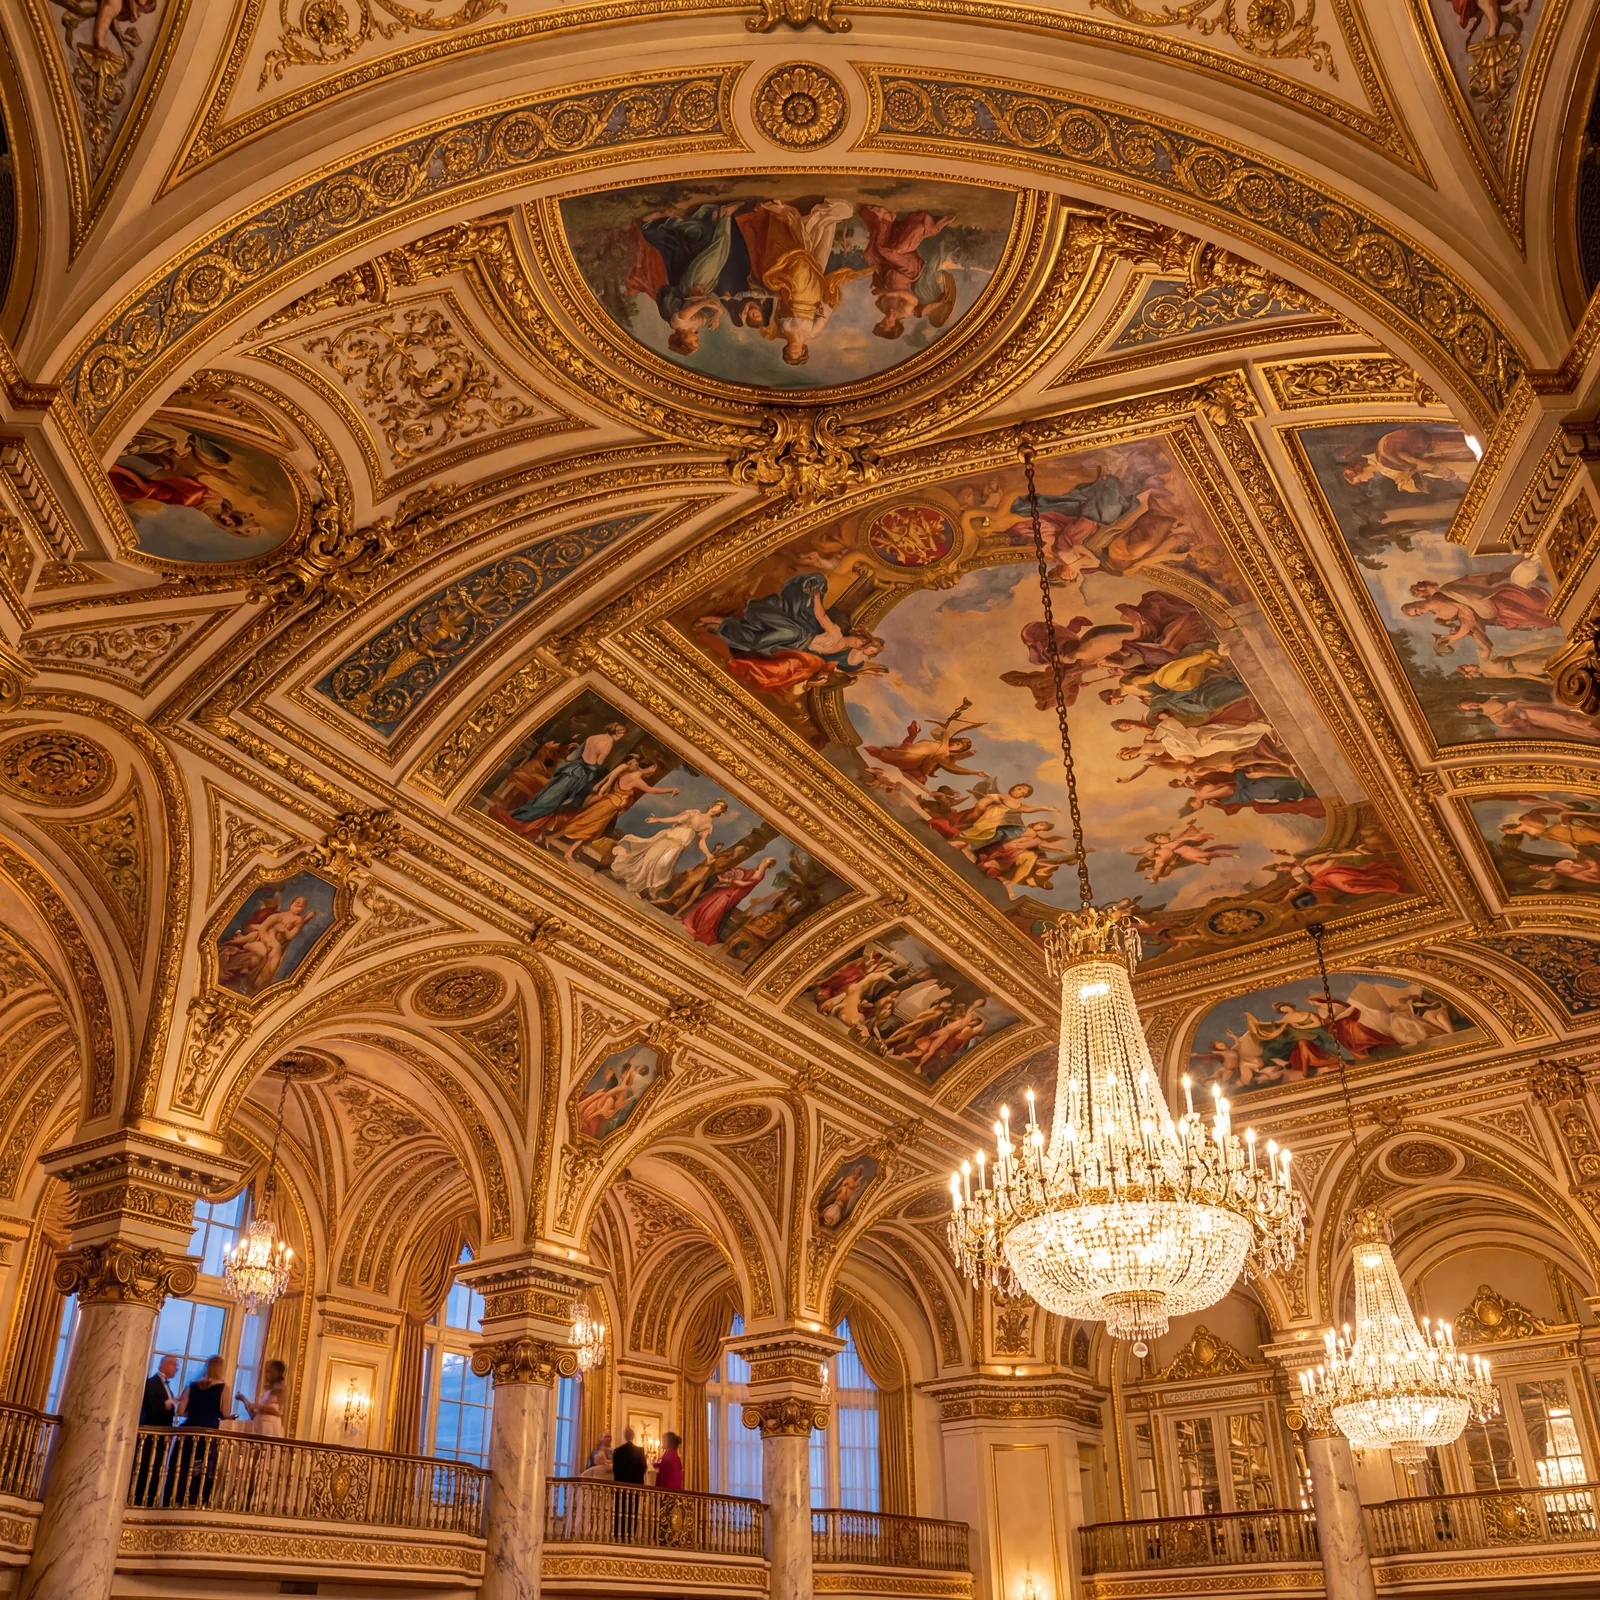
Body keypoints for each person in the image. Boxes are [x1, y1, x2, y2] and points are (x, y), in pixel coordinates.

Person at [167, 1356, 231, 1507]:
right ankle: (196, 1502)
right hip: (208, 1433)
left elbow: (180, 1411)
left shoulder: (192, 1386)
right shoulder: (223, 1388)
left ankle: (176, 1500)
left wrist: (195, 1411)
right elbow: (225, 1413)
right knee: (203, 1470)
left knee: (182, 1468)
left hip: (189, 1432)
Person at [133, 1354, 179, 1506]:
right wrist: (168, 1404)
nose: (177, 1369)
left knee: (156, 1467)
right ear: (164, 1365)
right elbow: (150, 1407)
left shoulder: (165, 1385)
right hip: (152, 1434)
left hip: (161, 1437)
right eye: (174, 1365)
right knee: (146, 1467)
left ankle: (151, 1499)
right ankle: (140, 1499)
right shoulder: (152, 1383)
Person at [611, 1426, 648, 1541]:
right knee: (634, 1511)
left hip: (621, 1485)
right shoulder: (640, 1451)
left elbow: (615, 1470)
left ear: (625, 1436)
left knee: (620, 1510)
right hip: (635, 1485)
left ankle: (619, 1535)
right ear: (633, 1436)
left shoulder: (617, 1451)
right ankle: (631, 1535)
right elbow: (644, 1468)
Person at [241, 1359, 287, 1438]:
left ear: (276, 1372)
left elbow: (278, 1412)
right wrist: (243, 1399)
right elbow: (258, 1410)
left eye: (268, 1372)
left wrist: (257, 1406)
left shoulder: (281, 1389)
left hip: (270, 1427)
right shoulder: (269, 1391)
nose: (266, 1375)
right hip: (261, 1425)